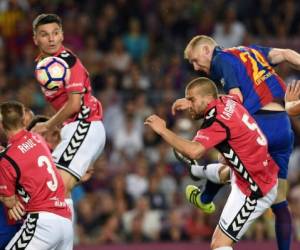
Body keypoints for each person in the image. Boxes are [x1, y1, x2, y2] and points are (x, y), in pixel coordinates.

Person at [172, 35, 300, 250]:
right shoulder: (250, 51)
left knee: (229, 162)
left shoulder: (221, 60)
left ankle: (204, 195)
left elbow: (236, 99)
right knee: (278, 200)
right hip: (283, 126)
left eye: (195, 60)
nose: (195, 67)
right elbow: (286, 54)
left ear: (206, 49)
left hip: (260, 124)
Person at [145, 77, 278, 250]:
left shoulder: (217, 121)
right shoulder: (228, 100)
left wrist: (163, 130)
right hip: (257, 169)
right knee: (225, 169)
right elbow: (228, 95)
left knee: (219, 244)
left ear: (207, 98)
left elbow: (194, 151)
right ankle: (197, 171)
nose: (189, 104)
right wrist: (190, 100)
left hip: (255, 190)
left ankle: (197, 172)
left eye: (191, 99)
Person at [31, 13, 106, 218]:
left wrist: (47, 125)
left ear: (62, 35)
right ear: (35, 39)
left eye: (56, 33)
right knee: (55, 187)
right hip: (76, 128)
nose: (52, 38)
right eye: (45, 35)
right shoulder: (43, 64)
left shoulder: (68, 62)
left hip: (84, 124)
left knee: (54, 188)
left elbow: (74, 105)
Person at [0, 101, 73, 249]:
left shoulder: (7, 158)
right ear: (23, 120)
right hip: (65, 220)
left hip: (42, 221)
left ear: (2, 124)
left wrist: (11, 199)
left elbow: (9, 201)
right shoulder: (38, 139)